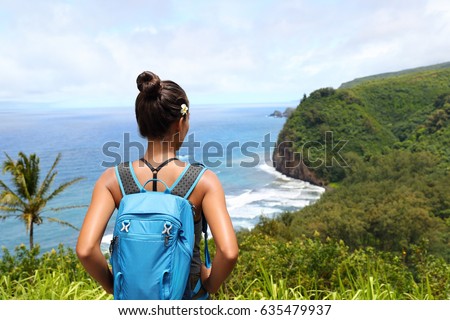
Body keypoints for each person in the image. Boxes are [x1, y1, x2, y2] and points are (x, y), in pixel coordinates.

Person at [76, 71, 239, 298]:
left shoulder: (112, 180)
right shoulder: (204, 181)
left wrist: (116, 289)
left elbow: (85, 250)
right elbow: (229, 252)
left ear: (142, 123)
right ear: (180, 122)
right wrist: (209, 286)